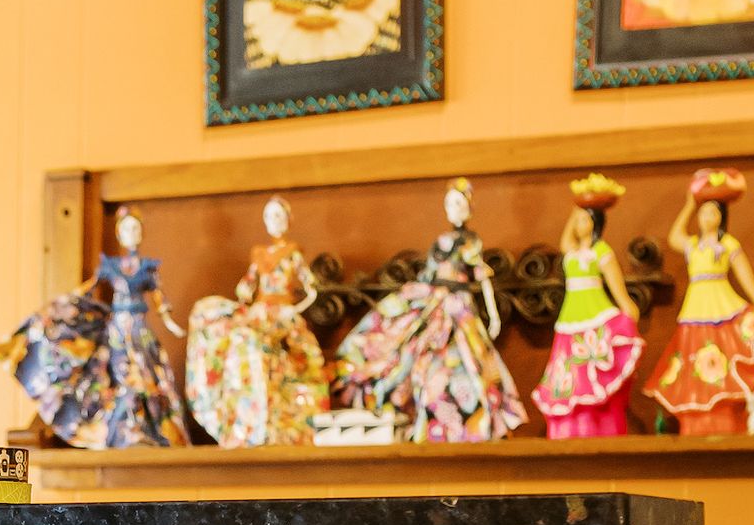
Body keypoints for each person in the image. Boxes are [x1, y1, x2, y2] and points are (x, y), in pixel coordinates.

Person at [332, 179, 525, 441]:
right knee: (410, 353)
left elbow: (482, 278)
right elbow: (429, 275)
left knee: (470, 361)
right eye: (449, 203)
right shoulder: (442, 241)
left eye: (458, 203)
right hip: (434, 303)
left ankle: (471, 421)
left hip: (458, 309)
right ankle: (420, 415)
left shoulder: (469, 243)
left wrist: (492, 315)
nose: (453, 209)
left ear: (469, 207)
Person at [0, 209, 189, 448]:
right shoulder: (112, 265)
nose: (132, 234)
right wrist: (68, 303)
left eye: (136, 229)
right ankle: (124, 430)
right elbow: (91, 286)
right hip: (118, 328)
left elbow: (160, 300)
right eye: (127, 229)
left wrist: (170, 322)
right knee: (120, 374)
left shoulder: (146, 267)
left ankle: (146, 430)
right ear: (119, 233)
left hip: (140, 329)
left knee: (147, 375)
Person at [646, 168, 754, 437]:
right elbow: (675, 235)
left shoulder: (727, 244)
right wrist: (689, 205)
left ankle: (724, 405)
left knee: (725, 347)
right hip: (696, 305)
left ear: (722, 218)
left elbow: (743, 272)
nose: (707, 217)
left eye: (713, 213)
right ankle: (698, 405)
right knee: (693, 350)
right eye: (704, 212)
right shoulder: (693, 244)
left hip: (721, 301)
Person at [185, 196, 328, 446]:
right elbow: (247, 287)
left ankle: (285, 424)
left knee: (292, 360)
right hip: (261, 309)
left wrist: (294, 309)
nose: (276, 221)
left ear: (288, 220)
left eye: (280, 216)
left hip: (283, 312)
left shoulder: (292, 254)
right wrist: (243, 307)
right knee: (241, 342)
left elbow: (311, 287)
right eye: (271, 216)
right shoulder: (261, 255)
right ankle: (246, 423)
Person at [532, 173, 645, 440]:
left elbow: (616, 285)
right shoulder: (572, 251)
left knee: (592, 368)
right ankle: (570, 423)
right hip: (572, 316)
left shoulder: (601, 251)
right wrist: (577, 207)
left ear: (595, 223)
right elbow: (564, 241)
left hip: (595, 313)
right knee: (570, 369)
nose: (579, 224)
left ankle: (597, 420)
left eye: (585, 219)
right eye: (579, 219)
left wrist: (627, 306)